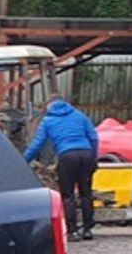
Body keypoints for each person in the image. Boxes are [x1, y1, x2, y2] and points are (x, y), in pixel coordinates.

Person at [23, 96, 101, 240]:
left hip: (67, 156)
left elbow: (37, 144)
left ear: (48, 107)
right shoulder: (80, 116)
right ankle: (88, 229)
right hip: (86, 154)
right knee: (86, 193)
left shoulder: (48, 121)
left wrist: (23, 161)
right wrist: (94, 157)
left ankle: (72, 231)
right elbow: (94, 138)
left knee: (68, 195)